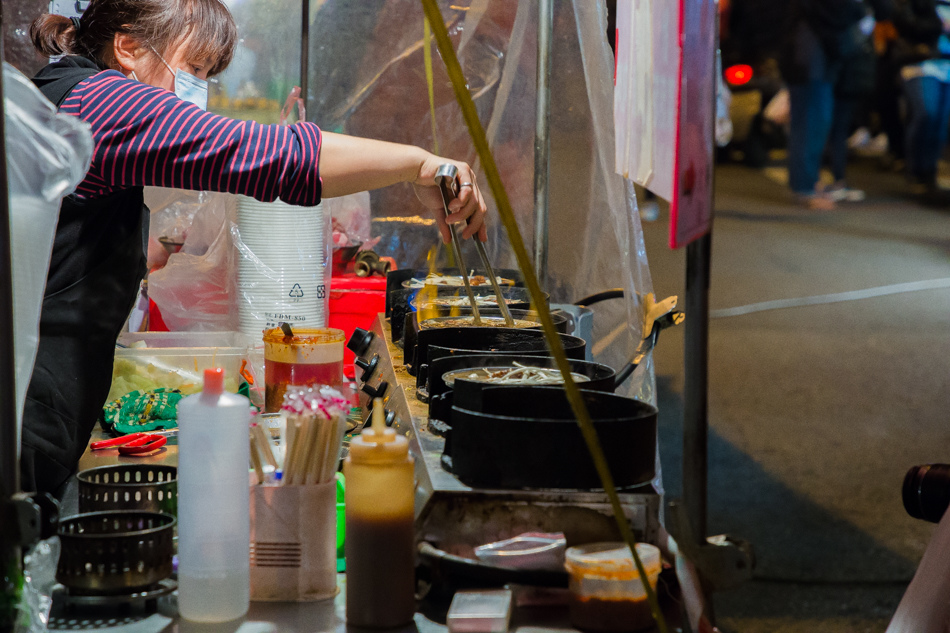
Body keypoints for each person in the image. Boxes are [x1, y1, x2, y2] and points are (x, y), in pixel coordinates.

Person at [23, 0, 489, 497]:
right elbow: (268, 155)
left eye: (206, 73)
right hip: (28, 403)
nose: (196, 86)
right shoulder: (98, 102)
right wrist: (417, 164)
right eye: (193, 67)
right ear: (129, 47)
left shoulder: (67, 97)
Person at [780, 0, 892, 210]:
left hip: (815, 60)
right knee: (811, 122)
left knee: (815, 121)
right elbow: (836, 12)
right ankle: (804, 188)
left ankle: (807, 182)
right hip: (810, 61)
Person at [892, 0, 950, 196]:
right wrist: (939, 25)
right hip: (920, 63)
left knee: (940, 123)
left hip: (947, 65)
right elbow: (905, 23)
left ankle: (929, 173)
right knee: (926, 113)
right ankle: (915, 170)